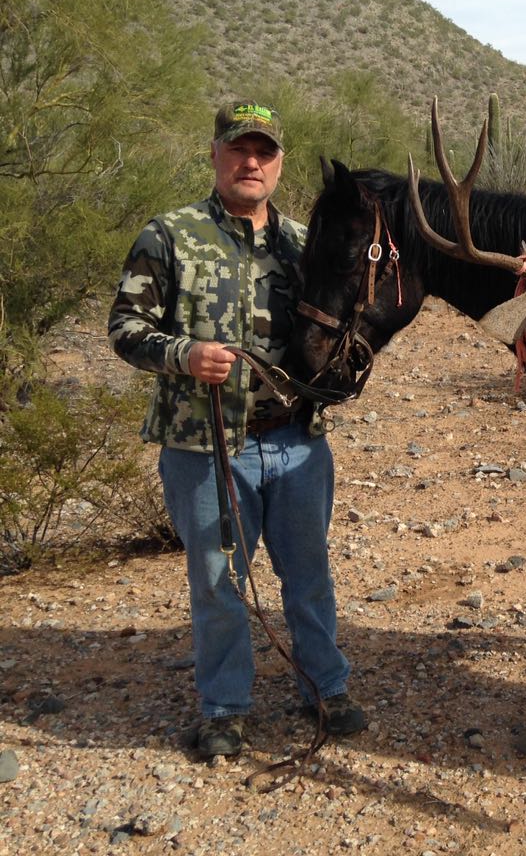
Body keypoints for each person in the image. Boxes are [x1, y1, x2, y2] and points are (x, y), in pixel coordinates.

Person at [108, 101, 366, 759]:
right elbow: (126, 329)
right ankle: (224, 708)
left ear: (278, 163)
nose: (251, 162)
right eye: (238, 149)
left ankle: (325, 688)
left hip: (297, 441)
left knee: (308, 574)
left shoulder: (306, 243)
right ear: (217, 155)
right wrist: (184, 355)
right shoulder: (168, 235)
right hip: (204, 445)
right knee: (220, 584)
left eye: (264, 152)